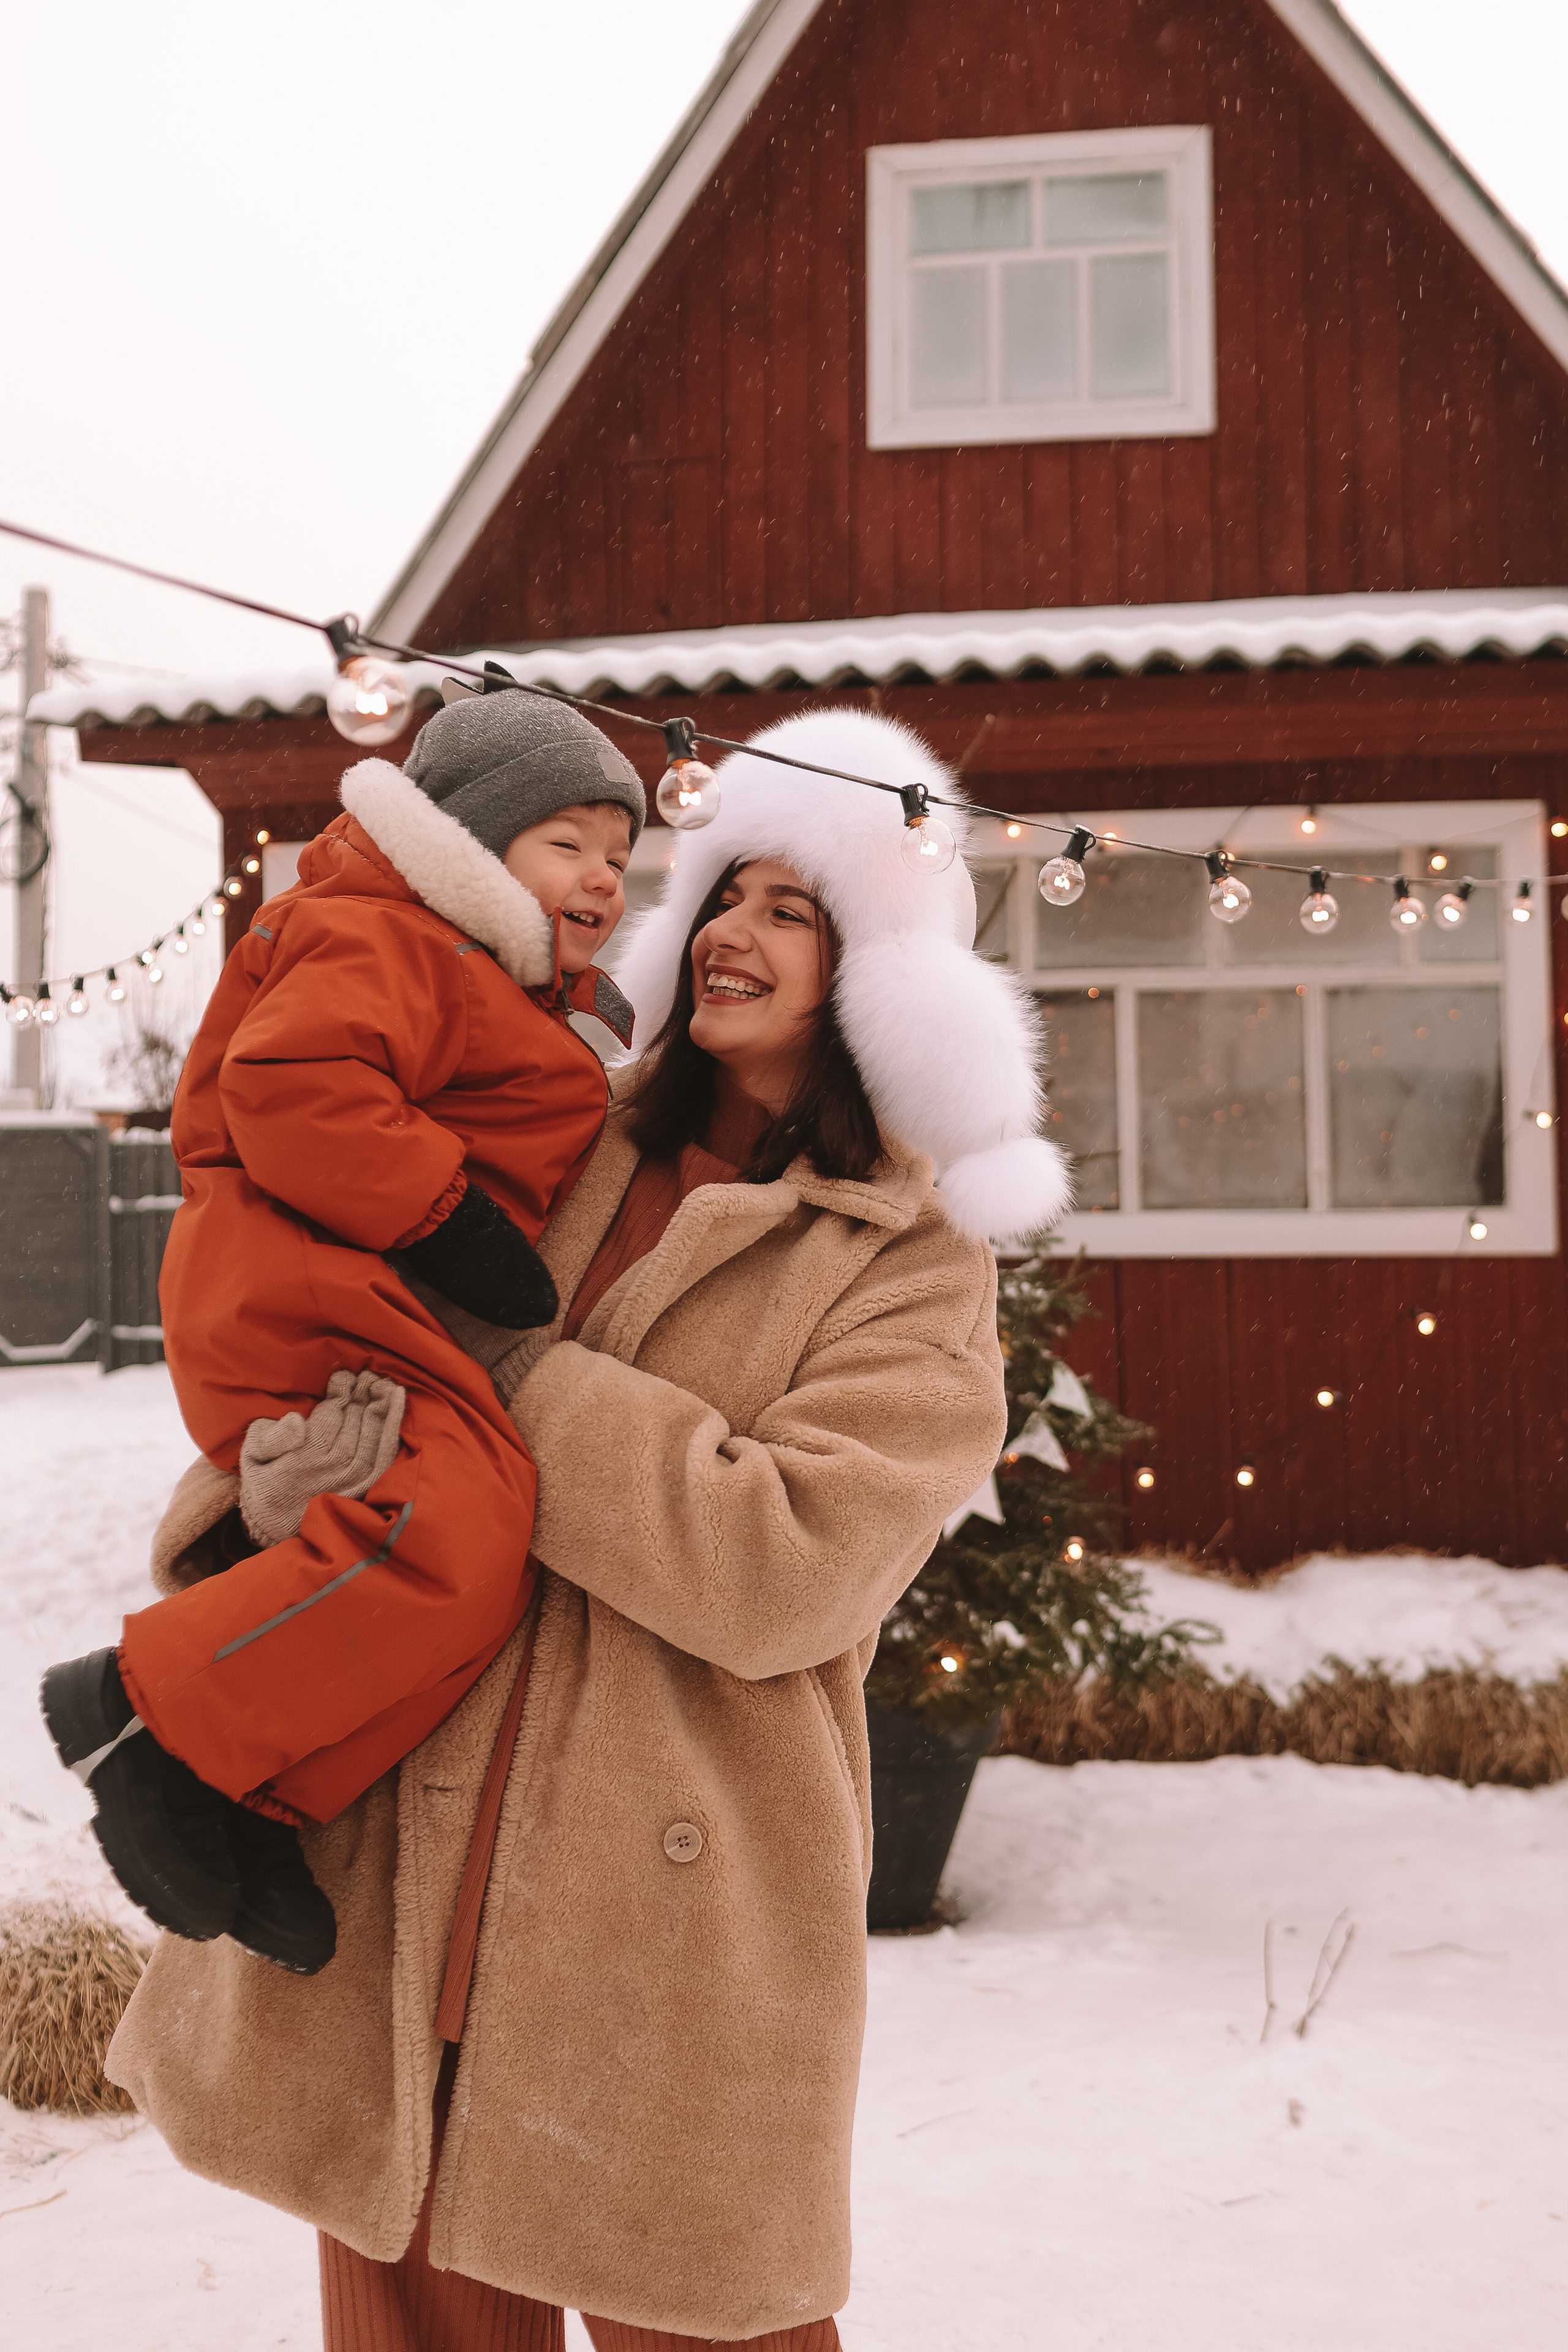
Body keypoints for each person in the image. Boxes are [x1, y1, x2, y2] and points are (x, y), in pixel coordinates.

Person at [105, 708, 1069, 2347]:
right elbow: (331, 1325)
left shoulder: (906, 1268)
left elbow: (777, 1570)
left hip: (661, 1929)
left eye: (793, 907)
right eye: (724, 894)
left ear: (879, 976)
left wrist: (506, 1376)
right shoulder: (540, 1129)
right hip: (401, 1886)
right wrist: (255, 1504)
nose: (732, 932)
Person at [42, 682, 645, 1977]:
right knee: (459, 1524)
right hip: (300, 1273)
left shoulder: (495, 978)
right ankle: (148, 1713)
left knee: (470, 1571)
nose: (601, 876)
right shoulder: (390, 935)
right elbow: (289, 1087)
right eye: (567, 843)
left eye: (619, 855)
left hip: (355, 1279)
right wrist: (447, 1221)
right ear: (473, 844)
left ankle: (244, 1789)